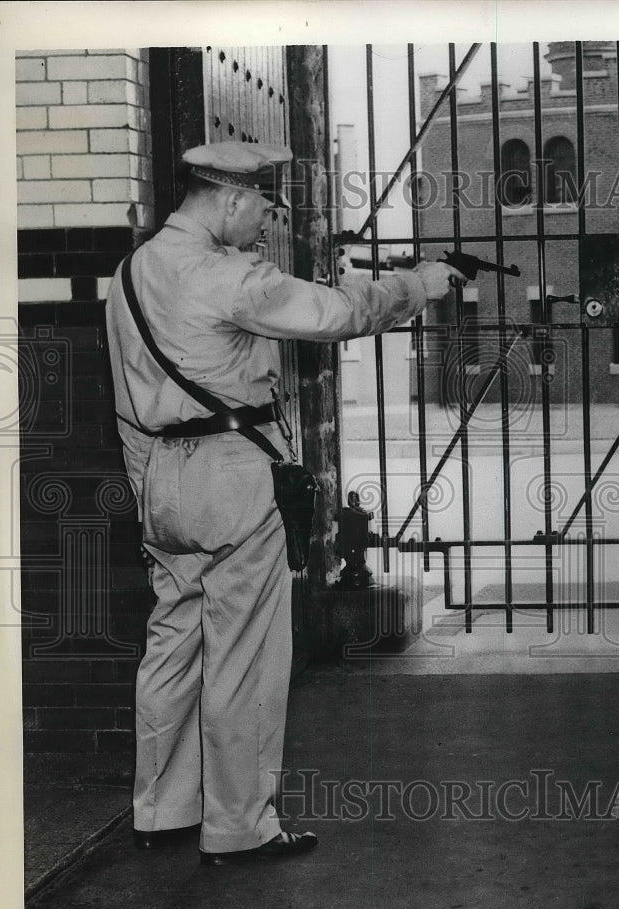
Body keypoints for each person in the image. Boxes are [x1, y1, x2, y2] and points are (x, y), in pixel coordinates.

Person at [105, 140, 461, 867]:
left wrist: (150, 494)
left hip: (163, 479)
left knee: (173, 644)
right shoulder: (231, 276)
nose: (266, 223)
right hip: (234, 478)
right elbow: (337, 313)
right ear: (230, 198)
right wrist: (416, 286)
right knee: (244, 656)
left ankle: (160, 809)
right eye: (262, 205)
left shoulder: (133, 272)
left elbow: (125, 405)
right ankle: (239, 827)